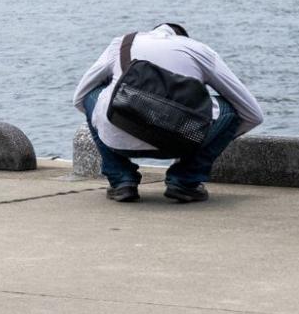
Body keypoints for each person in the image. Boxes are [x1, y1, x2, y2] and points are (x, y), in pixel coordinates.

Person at [73, 24, 264, 203]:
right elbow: (253, 114)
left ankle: (121, 178)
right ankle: (185, 180)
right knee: (231, 108)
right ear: (182, 37)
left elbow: (80, 97)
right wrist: (210, 140)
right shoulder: (199, 50)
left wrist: (107, 125)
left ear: (153, 32)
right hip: (183, 141)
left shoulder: (122, 43)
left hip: (118, 137)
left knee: (94, 96)